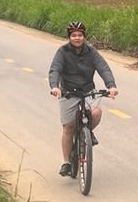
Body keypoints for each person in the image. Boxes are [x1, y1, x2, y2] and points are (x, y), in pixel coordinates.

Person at [48, 21, 117, 177]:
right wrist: (55, 87)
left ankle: (86, 132)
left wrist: (111, 86)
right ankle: (66, 162)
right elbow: (55, 70)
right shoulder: (62, 52)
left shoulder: (91, 52)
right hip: (68, 93)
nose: (77, 38)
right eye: (74, 35)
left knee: (96, 113)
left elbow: (103, 68)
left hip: (87, 91)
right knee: (68, 127)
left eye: (80, 35)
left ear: (84, 37)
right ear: (69, 37)